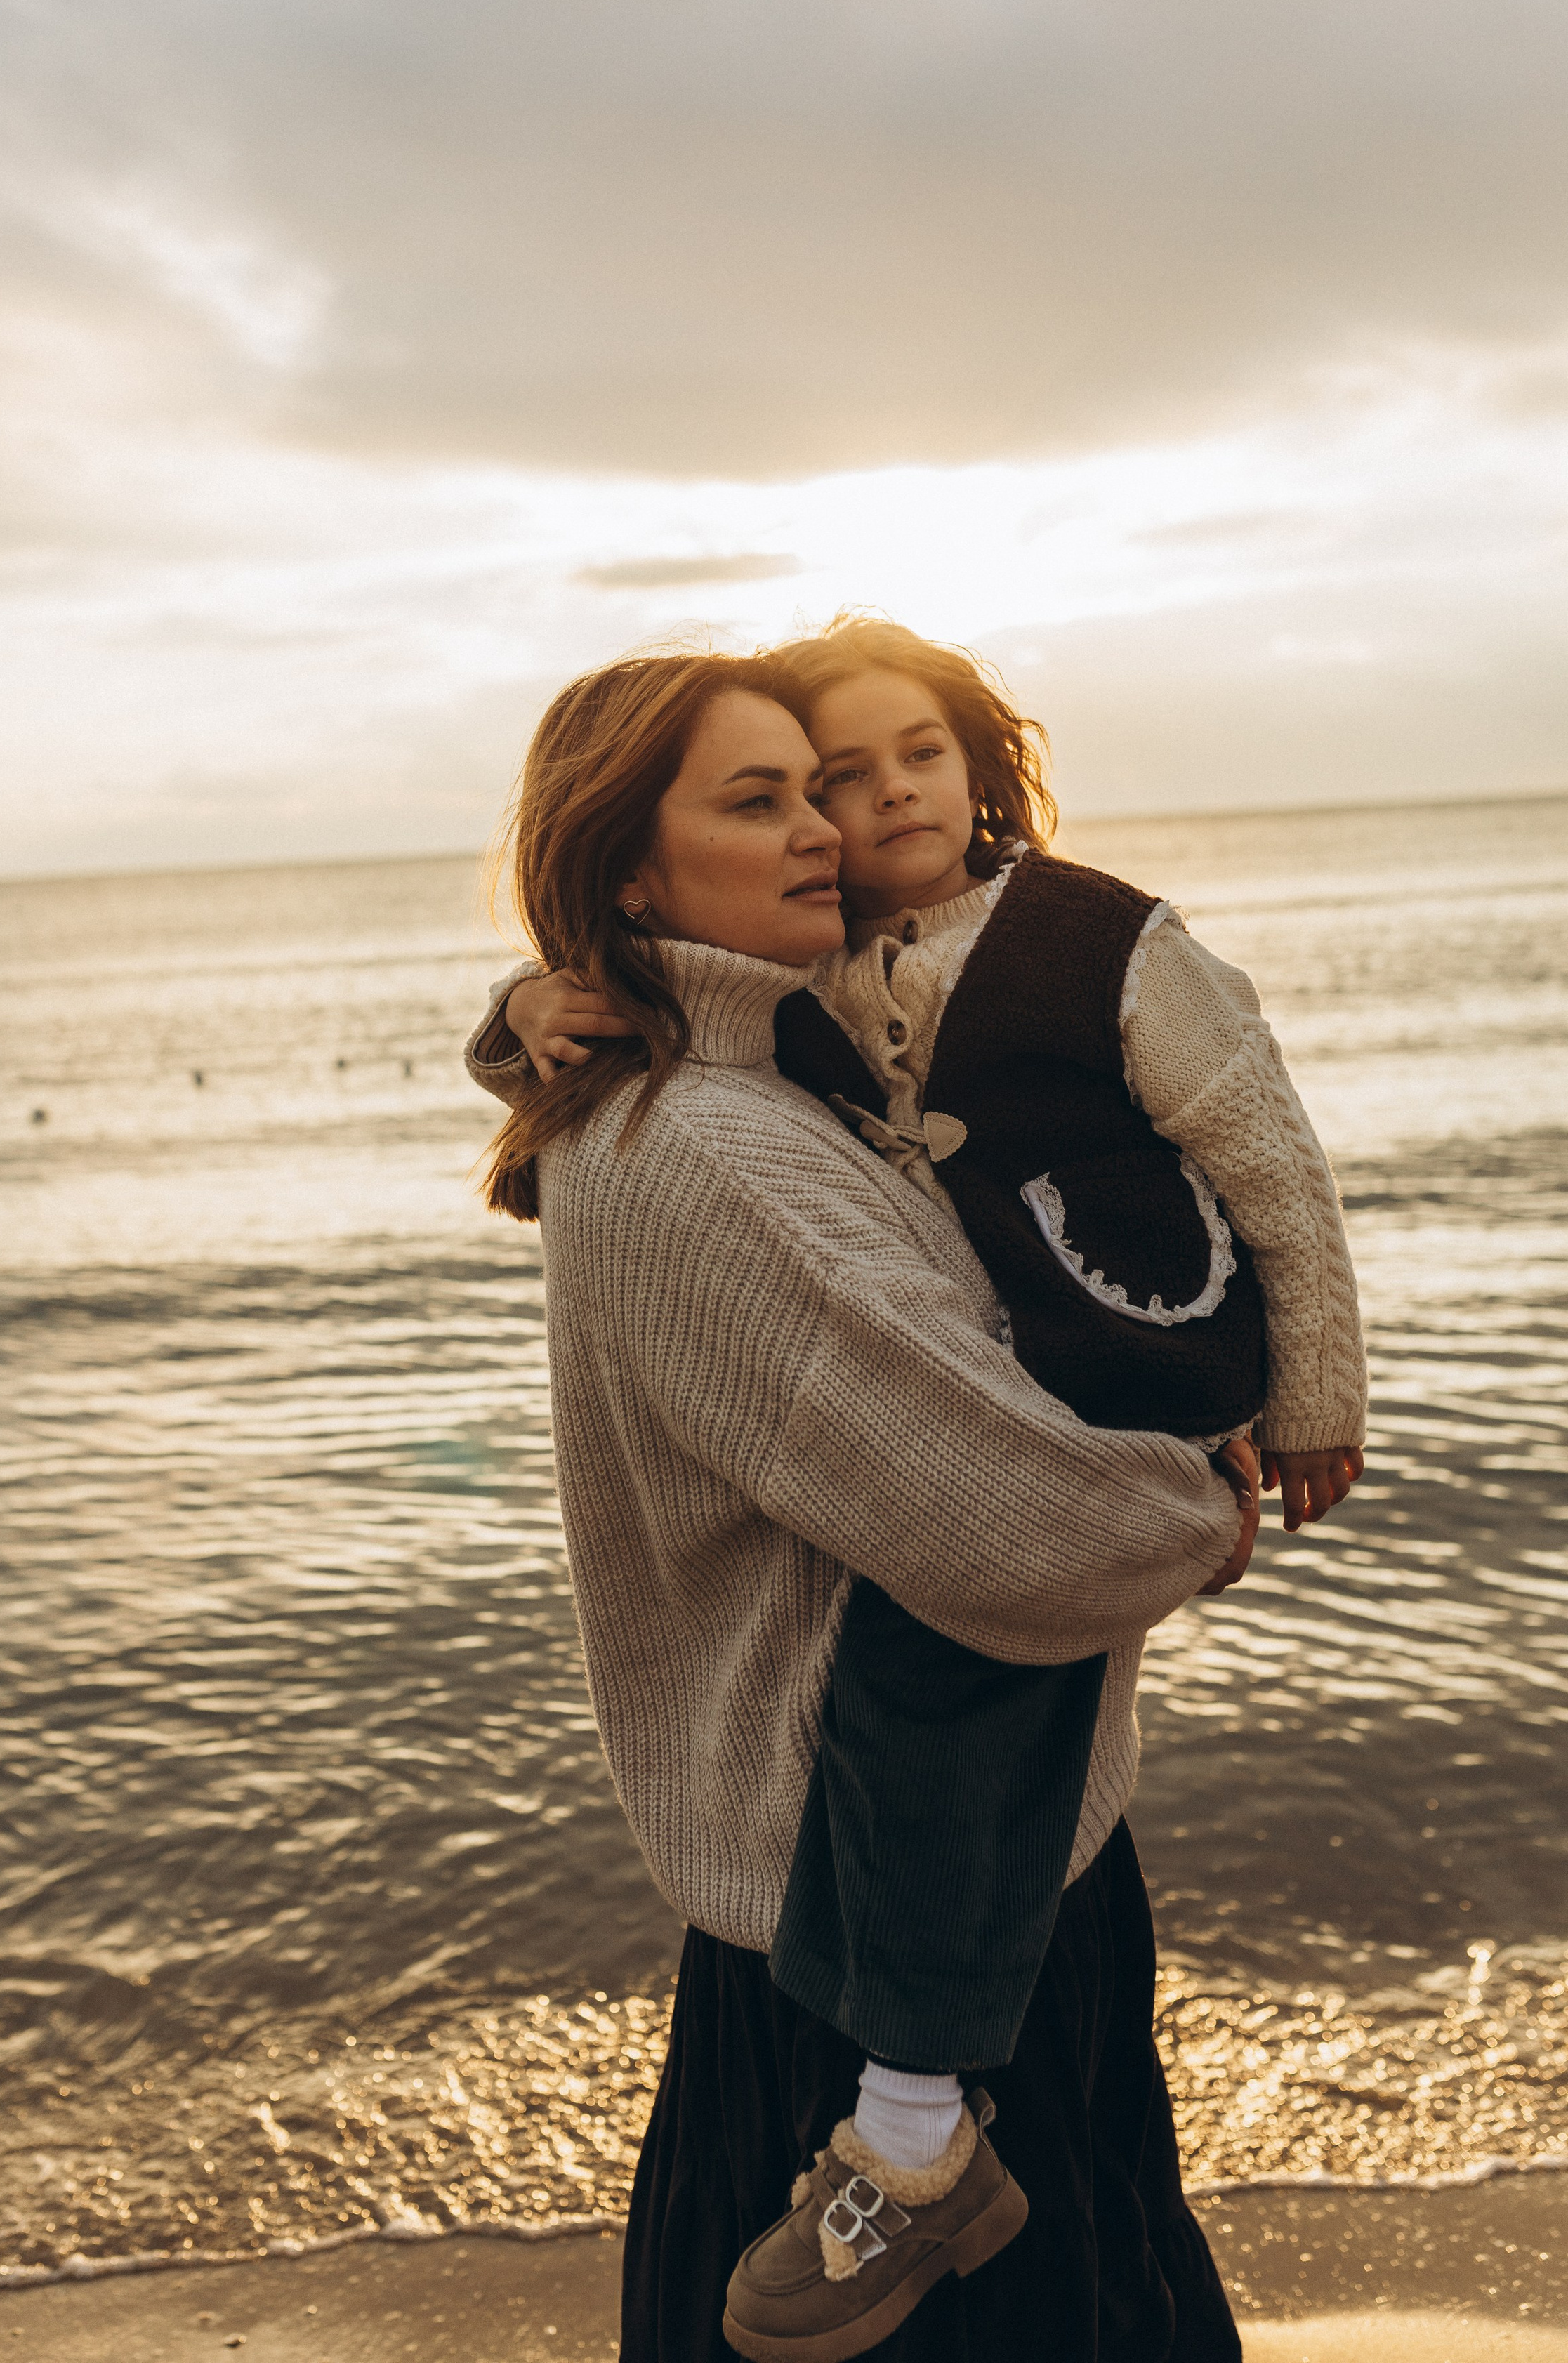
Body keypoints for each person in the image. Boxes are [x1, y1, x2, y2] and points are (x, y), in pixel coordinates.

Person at [466, 646, 1258, 2362]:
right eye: (754, 802)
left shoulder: (778, 1075)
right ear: (624, 862)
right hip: (860, 1935)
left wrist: (527, 1005)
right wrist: (1206, 1498)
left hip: (977, 1888)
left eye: (815, 787)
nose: (825, 828)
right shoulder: (694, 1151)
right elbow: (1009, 1520)